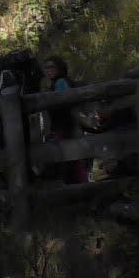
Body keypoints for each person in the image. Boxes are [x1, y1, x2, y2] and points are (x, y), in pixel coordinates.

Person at [43, 56, 89, 184]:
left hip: (65, 128)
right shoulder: (57, 83)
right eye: (46, 67)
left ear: (59, 68)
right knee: (73, 163)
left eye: (51, 67)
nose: (48, 70)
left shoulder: (61, 82)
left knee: (71, 162)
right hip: (65, 128)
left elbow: (66, 105)